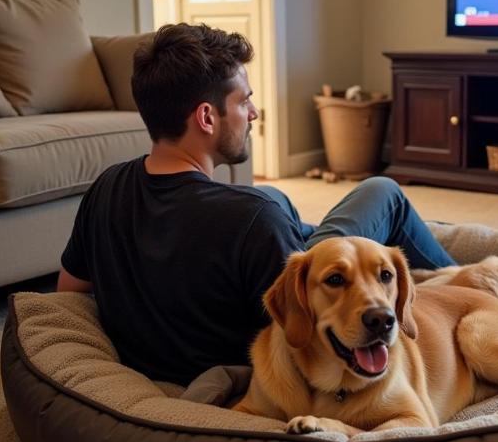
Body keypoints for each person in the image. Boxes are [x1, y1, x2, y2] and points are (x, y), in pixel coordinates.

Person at [57, 23, 455, 385]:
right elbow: (302, 341)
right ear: (207, 118)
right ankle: (467, 286)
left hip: (160, 360)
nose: (254, 113)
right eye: (243, 100)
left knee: (275, 197)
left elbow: (69, 295)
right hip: (252, 373)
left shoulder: (106, 187)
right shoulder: (251, 221)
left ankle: (305, 234)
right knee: (382, 192)